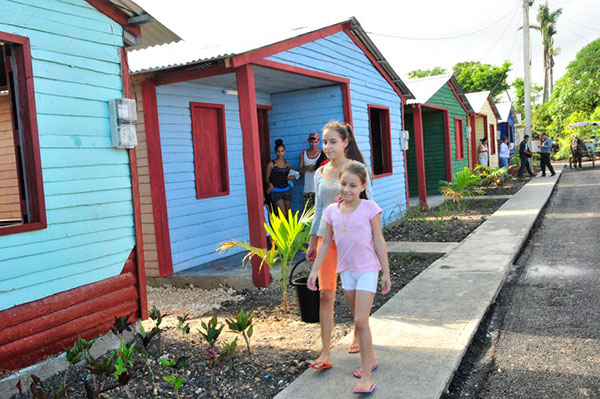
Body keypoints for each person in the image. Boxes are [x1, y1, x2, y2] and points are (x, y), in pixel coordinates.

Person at [307, 162, 391, 394]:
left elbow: (379, 241)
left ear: (363, 186)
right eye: (343, 183)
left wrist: (386, 272)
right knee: (358, 320)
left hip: (367, 270)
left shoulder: (369, 208)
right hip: (347, 271)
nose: (346, 189)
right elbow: (326, 245)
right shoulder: (331, 211)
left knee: (361, 322)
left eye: (353, 185)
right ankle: (371, 357)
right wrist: (315, 270)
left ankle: (366, 376)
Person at [305, 121, 373, 370]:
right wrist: (313, 242)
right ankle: (325, 353)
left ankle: (358, 331)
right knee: (325, 294)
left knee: (353, 293)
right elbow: (318, 210)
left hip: (351, 240)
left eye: (333, 141)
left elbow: (370, 206)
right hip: (326, 240)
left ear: (346, 142)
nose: (327, 146)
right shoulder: (319, 173)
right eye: (324, 141)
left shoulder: (356, 170)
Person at [265, 139, 295, 216]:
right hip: (276, 191)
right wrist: (269, 184)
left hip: (287, 190)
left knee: (288, 214)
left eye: (282, 151)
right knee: (282, 214)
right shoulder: (271, 164)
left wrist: (292, 178)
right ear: (275, 152)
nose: (280, 153)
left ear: (284, 152)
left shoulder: (287, 164)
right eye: (278, 151)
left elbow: (288, 178)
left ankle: (288, 228)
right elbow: (266, 178)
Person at [299, 131, 322, 209]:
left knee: (321, 214)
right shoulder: (304, 154)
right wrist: (306, 168)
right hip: (307, 189)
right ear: (308, 141)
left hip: (320, 189)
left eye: (315, 142)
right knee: (308, 216)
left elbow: (328, 169)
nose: (313, 144)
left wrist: (316, 167)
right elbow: (300, 172)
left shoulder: (322, 153)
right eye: (311, 142)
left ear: (319, 141)